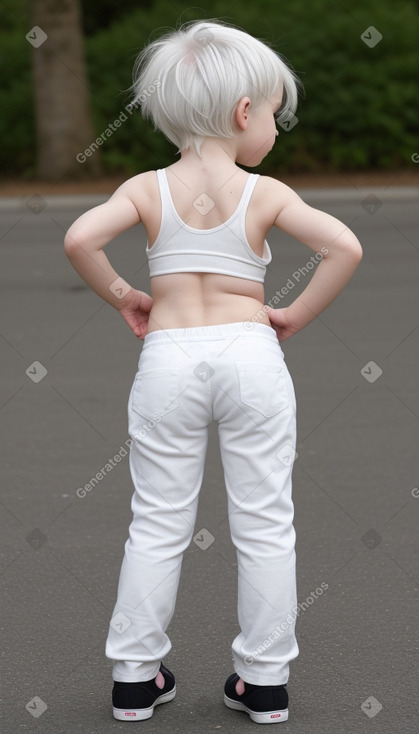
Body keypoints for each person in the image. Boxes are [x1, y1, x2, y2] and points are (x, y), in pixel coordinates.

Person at [64, 19, 362, 725]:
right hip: (249, 354)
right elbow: (343, 247)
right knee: (264, 523)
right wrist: (289, 316)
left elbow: (80, 238)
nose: (276, 132)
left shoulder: (145, 187)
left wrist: (128, 297)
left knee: (157, 521)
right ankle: (262, 683)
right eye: (274, 115)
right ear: (243, 113)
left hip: (168, 356)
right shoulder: (264, 193)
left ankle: (135, 678)